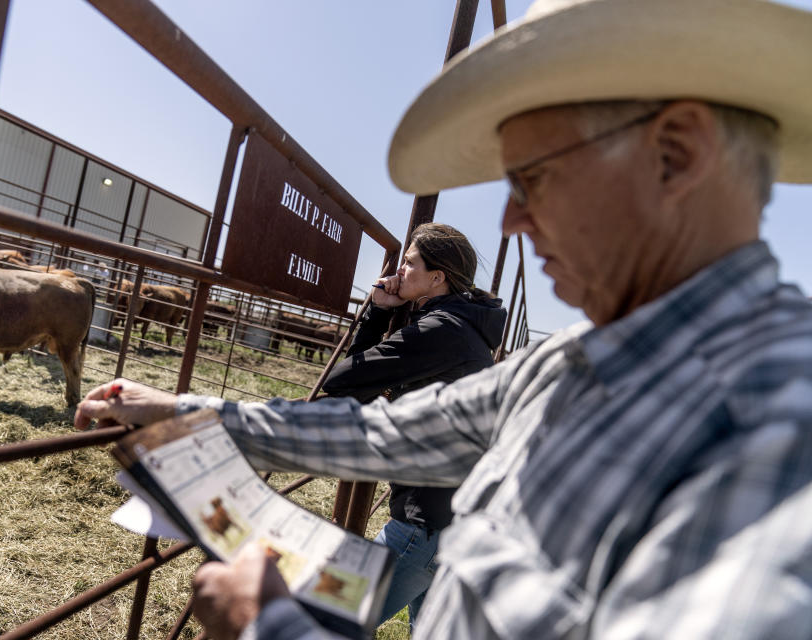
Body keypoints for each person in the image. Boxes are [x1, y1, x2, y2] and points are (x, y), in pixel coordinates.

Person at [75, 0, 812, 637]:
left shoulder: (780, 428)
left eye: (535, 178)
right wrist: (179, 410)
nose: (514, 218)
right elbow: (387, 432)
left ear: (675, 156)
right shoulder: (575, 362)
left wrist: (274, 627)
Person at [322, 222, 506, 629]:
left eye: (409, 263)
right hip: (449, 517)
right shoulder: (466, 326)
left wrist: (376, 312)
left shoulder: (443, 331)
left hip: (423, 524)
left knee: (327, 618)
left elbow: (343, 383)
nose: (399, 271)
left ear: (436, 277)